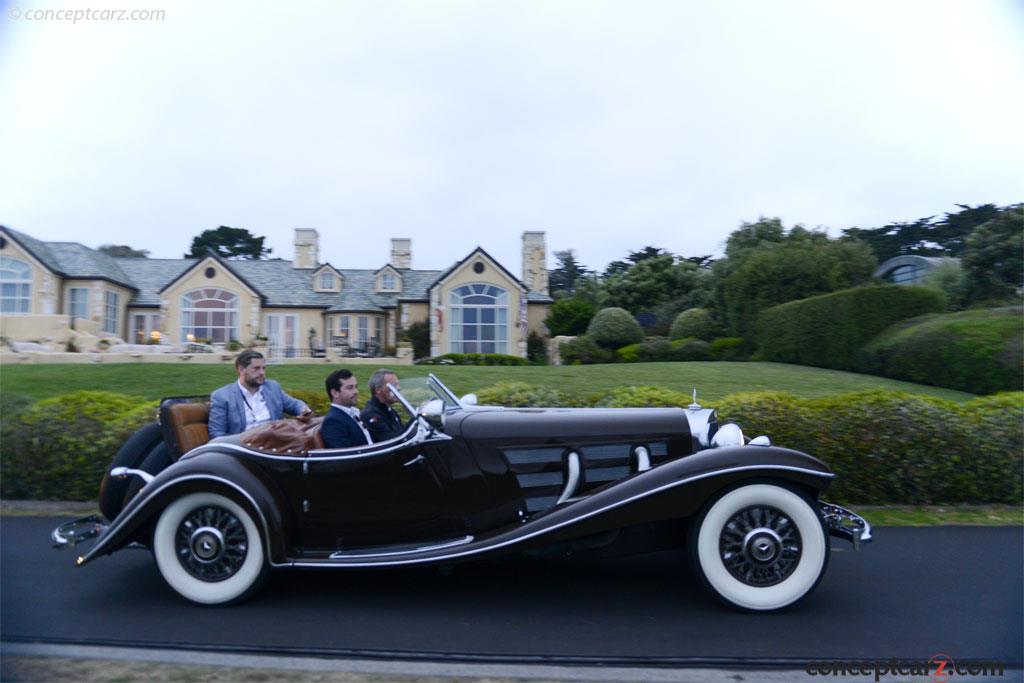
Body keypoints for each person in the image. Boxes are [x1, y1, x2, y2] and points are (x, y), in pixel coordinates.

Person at [208, 349, 312, 438]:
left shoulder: (272, 388)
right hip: (242, 447)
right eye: (256, 368)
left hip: (274, 444)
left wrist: (303, 410)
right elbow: (217, 433)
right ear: (241, 369)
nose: (262, 372)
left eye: (263, 368)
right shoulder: (222, 396)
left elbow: (295, 404)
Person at [322, 368, 371, 448]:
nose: (356, 391)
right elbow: (343, 454)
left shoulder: (353, 412)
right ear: (335, 393)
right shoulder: (333, 421)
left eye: (356, 387)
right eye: (350, 388)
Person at [360, 368, 405, 442]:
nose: (398, 388)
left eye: (398, 384)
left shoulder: (390, 411)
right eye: (393, 385)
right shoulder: (370, 414)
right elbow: (390, 440)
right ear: (378, 389)